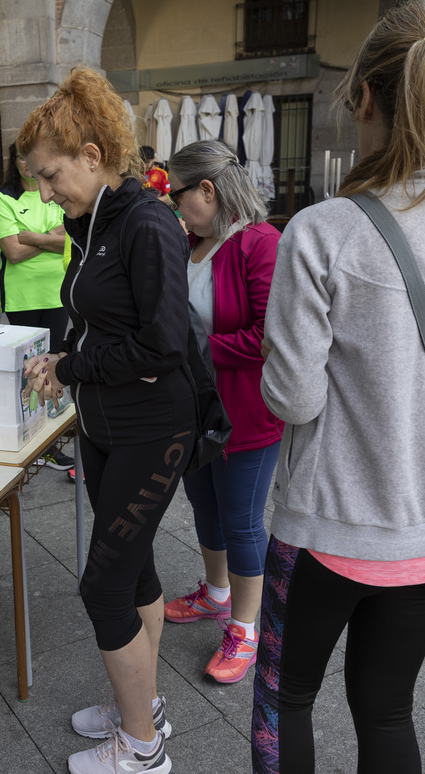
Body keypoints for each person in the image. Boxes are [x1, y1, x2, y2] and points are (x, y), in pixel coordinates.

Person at [254, 0, 425, 774]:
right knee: (386, 711)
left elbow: (294, 400)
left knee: (286, 701)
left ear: (366, 98)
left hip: (328, 529)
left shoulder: (322, 233)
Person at [20, 66, 196, 774]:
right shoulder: (89, 222)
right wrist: (68, 352)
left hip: (153, 430)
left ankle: (144, 751)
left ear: (91, 156)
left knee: (102, 585)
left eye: (49, 174)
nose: (42, 192)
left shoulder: (148, 222)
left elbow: (163, 342)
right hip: (105, 427)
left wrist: (71, 368)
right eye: (37, 178)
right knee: (137, 570)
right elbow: (104, 322)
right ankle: (141, 707)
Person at [161, 139, 283, 685]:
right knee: (204, 508)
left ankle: (245, 628)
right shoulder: (189, 242)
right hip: (196, 409)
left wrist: (194, 351)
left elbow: (266, 337)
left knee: (241, 522)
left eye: (177, 193)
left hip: (247, 414)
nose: (174, 205)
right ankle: (215, 594)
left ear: (207, 190)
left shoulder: (260, 243)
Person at [0, 143, 75, 471]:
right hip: (23, 297)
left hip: (58, 294)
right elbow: (12, 252)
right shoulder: (4, 198)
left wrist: (32, 237)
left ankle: (51, 441)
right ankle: (32, 435)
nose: (28, 165)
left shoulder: (54, 192)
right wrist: (50, 238)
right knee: (31, 371)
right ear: (14, 162)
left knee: (53, 368)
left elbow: (70, 239)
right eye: (22, 159)